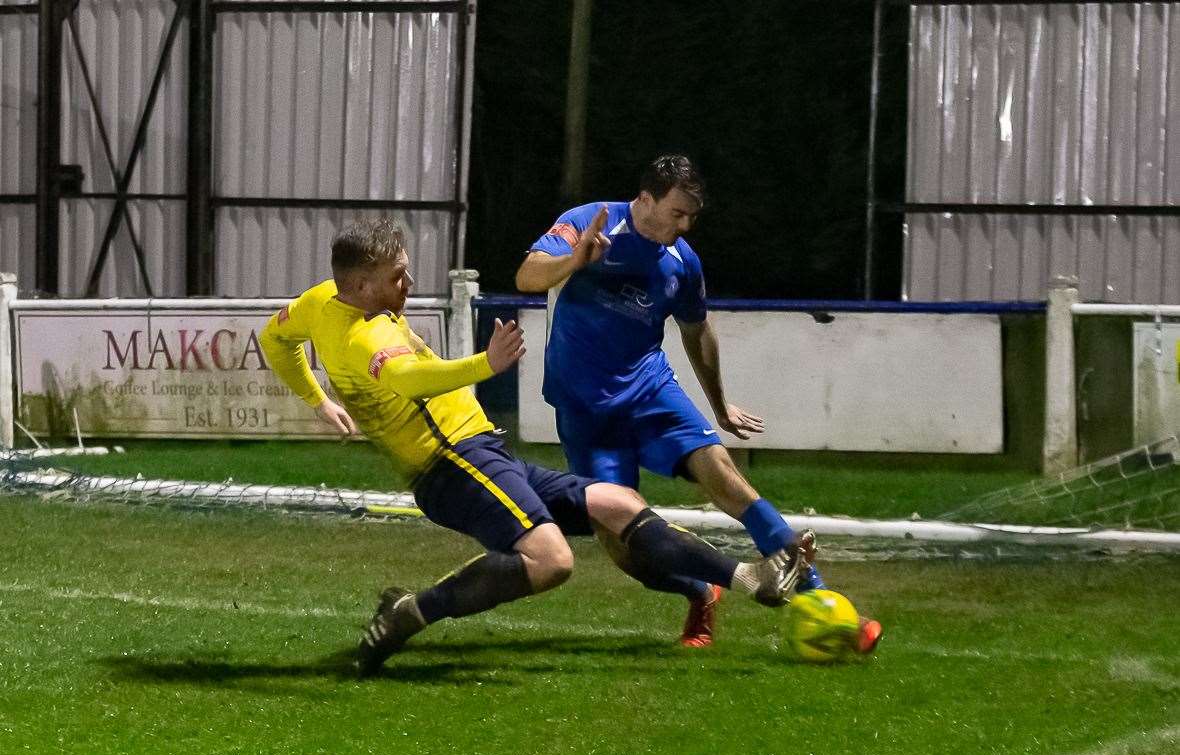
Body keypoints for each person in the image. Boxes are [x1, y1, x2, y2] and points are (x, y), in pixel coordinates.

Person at [259, 218, 810, 677]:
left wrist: (316, 399)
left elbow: (274, 339)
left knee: (620, 505)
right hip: (448, 464)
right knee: (552, 561)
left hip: (481, 452)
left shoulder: (320, 301)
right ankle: (412, 612)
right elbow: (407, 380)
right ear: (358, 287)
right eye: (396, 278)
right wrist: (486, 365)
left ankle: (748, 578)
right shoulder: (364, 336)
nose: (407, 285)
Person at [516, 154, 881, 652]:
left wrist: (720, 404)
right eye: (677, 214)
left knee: (723, 475)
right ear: (646, 199)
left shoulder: (682, 262)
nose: (684, 226)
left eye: (692, 217)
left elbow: (697, 331)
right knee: (624, 548)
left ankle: (821, 600)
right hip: (586, 412)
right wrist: (575, 260)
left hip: (650, 392)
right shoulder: (590, 222)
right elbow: (528, 276)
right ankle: (699, 589)